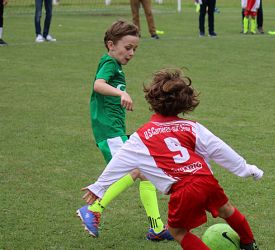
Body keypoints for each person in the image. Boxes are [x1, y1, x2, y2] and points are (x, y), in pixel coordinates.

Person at [77, 68, 264, 250]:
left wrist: (99, 187)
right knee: (227, 210)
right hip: (206, 179)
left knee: (178, 232)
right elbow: (220, 149)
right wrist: (246, 168)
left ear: (152, 99)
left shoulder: (141, 136)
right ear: (185, 102)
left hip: (184, 189)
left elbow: (119, 162)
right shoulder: (192, 127)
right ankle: (249, 243)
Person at [76, 20, 173, 241]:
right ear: (111, 45)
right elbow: (98, 85)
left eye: (135, 49)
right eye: (127, 47)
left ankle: (156, 228)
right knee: (137, 170)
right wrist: (122, 94)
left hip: (115, 131)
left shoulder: (114, 65)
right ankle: (93, 210)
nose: (131, 53)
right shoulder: (110, 63)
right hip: (109, 133)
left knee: (146, 173)